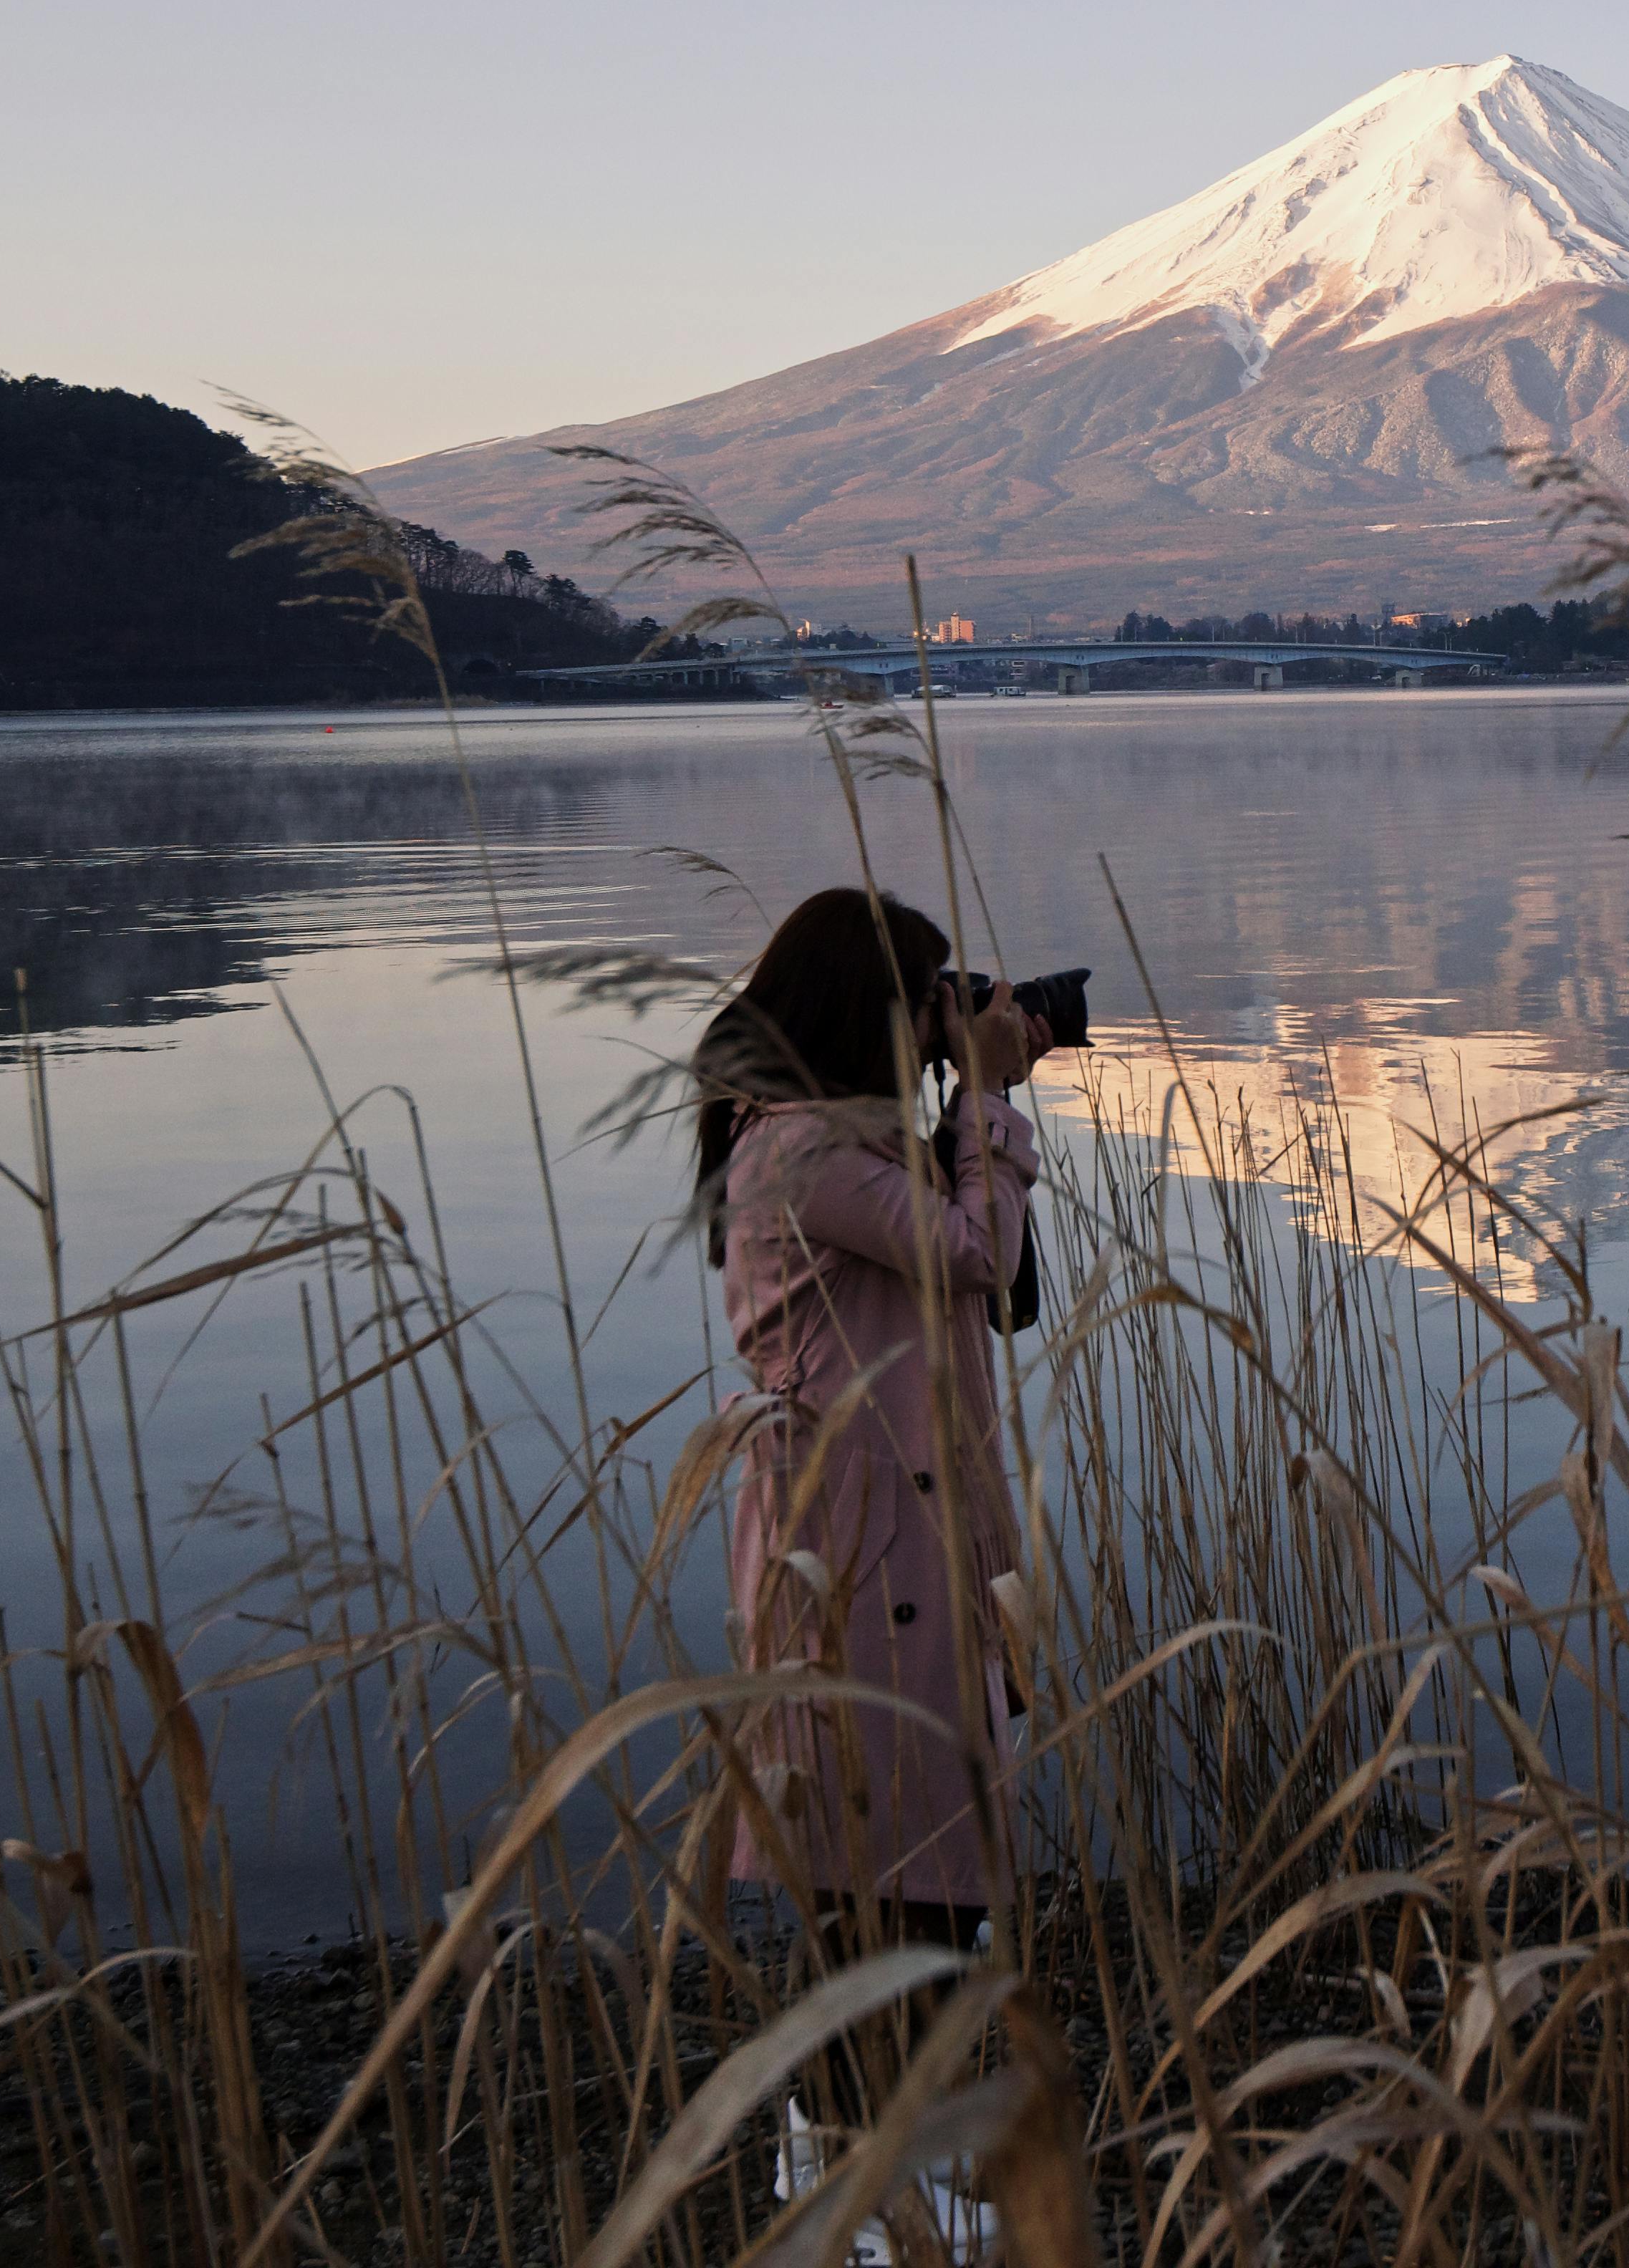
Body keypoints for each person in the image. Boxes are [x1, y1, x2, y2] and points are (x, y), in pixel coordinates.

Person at [693, 885, 1055, 2252]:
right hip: (854, 1553)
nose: (942, 1021)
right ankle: (844, 2195)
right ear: (868, 1010)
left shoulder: (850, 1146)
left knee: (913, 1870)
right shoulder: (798, 1156)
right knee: (881, 1872)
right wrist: (992, 1109)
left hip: (903, 1531)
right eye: (926, 999)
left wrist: (970, 1108)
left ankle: (867, 2163)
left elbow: (990, 1292)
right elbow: (976, 1249)